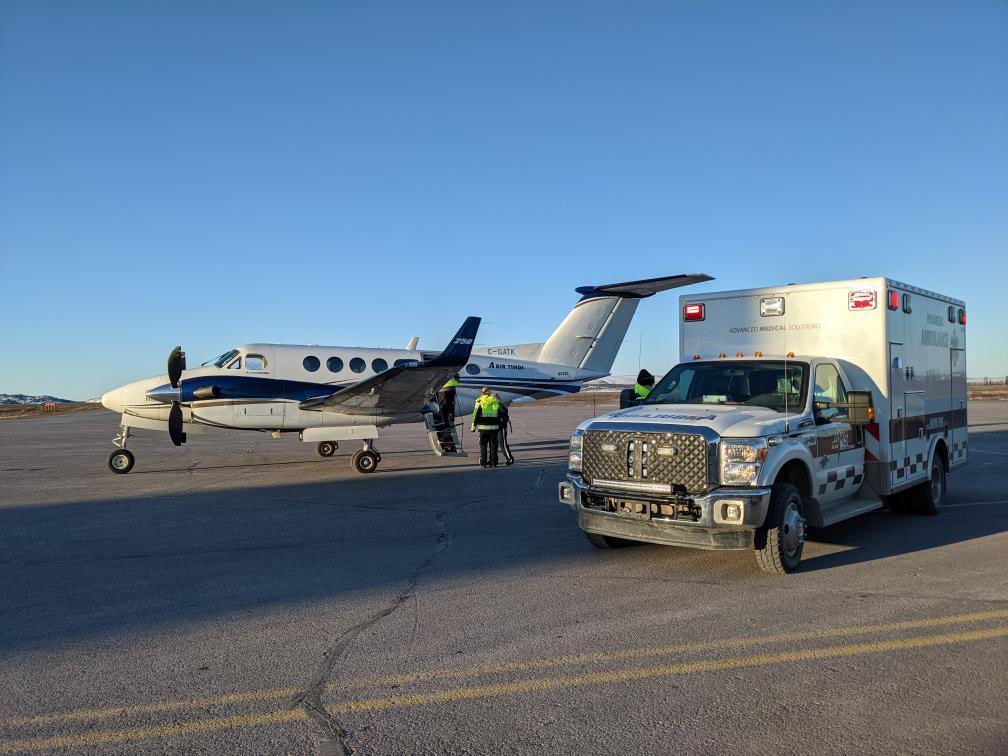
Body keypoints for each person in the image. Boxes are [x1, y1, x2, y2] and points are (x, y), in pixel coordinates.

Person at [470, 387, 502, 467]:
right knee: (494, 446)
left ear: (482, 393)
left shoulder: (479, 401)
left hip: (483, 428)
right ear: (489, 393)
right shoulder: (495, 401)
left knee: (483, 446)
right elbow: (499, 414)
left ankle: (483, 463)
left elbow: (475, 415)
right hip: (494, 428)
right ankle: (493, 462)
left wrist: (473, 427)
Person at [495, 394, 514, 465]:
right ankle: (494, 460)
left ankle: (510, 458)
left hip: (501, 427)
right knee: (494, 444)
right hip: (495, 427)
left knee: (502, 443)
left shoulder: (500, 406)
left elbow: (504, 415)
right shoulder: (494, 406)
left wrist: (500, 420)